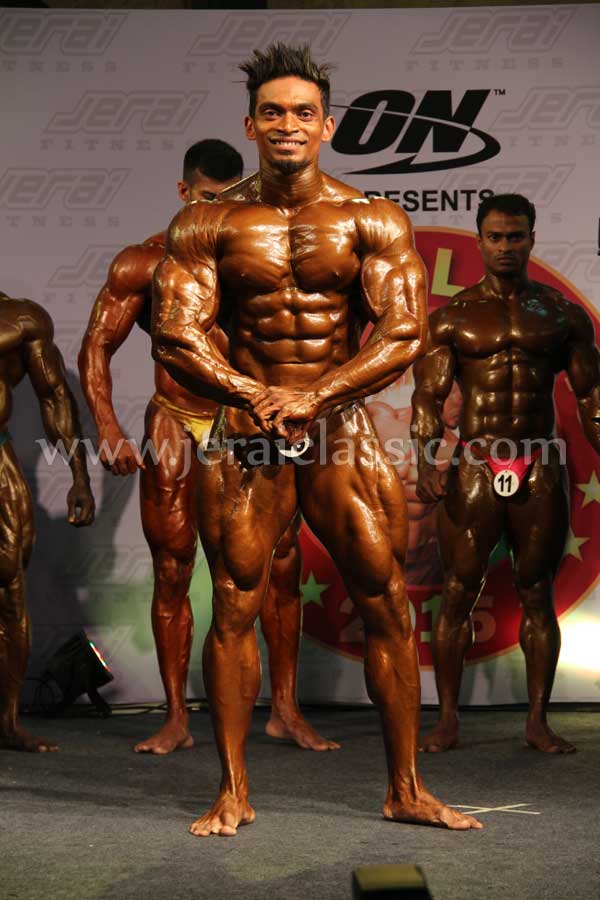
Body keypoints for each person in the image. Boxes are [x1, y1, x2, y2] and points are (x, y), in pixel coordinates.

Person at [153, 43, 481, 836]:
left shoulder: (370, 218)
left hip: (336, 427)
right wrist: (253, 394)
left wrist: (316, 395)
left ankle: (405, 789)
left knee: (385, 598)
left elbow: (405, 332)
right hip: (250, 426)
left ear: (327, 125)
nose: (288, 125)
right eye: (272, 112)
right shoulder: (207, 221)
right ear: (251, 125)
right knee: (235, 599)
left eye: (303, 112)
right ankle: (233, 791)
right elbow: (175, 333)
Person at [79, 139, 337, 755]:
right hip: (175, 419)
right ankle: (175, 717)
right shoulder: (144, 262)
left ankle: (285, 709)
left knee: (280, 563)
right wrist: (107, 427)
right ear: (183, 193)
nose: (214, 211)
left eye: (227, 201)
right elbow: (97, 345)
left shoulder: (261, 256)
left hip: (246, 422)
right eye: (204, 199)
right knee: (172, 566)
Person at [411, 192, 600, 754]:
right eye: (495, 237)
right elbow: (428, 396)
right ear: (480, 242)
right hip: (474, 459)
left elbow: (591, 396)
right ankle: (447, 719)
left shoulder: (561, 315)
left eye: (515, 236)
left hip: (539, 460)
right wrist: (425, 460)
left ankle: (537, 721)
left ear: (531, 239)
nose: (505, 247)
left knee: (537, 590)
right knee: (457, 590)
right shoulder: (454, 317)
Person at [0, 292, 95, 752]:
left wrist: (79, 475)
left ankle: (6, 722)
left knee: (8, 590)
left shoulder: (20, 319)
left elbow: (54, 395)